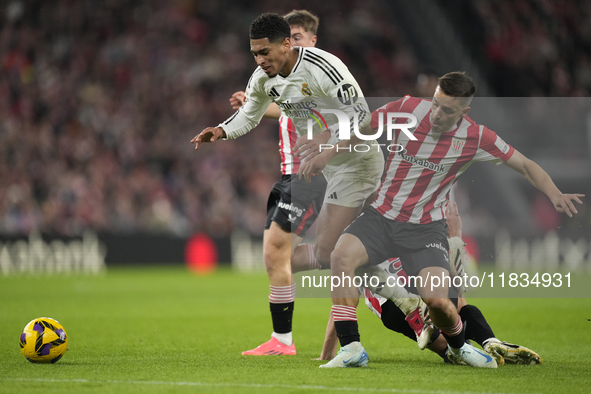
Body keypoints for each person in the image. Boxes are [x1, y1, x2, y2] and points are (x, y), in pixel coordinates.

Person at [316, 71, 584, 368]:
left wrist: (555, 193)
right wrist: (328, 153)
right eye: (435, 104)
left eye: (447, 110)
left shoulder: (475, 137)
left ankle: (459, 346)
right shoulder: (407, 110)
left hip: (424, 229)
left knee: (440, 302)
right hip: (381, 216)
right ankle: (352, 348)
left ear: (464, 112)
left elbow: (524, 165)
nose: (436, 114)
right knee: (340, 256)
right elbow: (363, 127)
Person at [191, 13, 384, 357]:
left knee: (326, 254)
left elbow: (361, 115)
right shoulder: (263, 79)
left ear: (286, 44)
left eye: (264, 52)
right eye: (254, 54)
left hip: (352, 164)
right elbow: (250, 113)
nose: (259, 60)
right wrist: (221, 131)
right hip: (314, 169)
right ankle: (301, 336)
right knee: (315, 254)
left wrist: (327, 151)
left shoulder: (325, 68)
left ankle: (380, 288)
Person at [317, 202, 542, 366]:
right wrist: (455, 238)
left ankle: (456, 347)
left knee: (447, 348)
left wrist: (328, 351)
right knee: (458, 305)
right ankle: (489, 339)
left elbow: (343, 300)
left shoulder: (362, 233)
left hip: (391, 305)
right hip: (425, 280)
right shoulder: (422, 224)